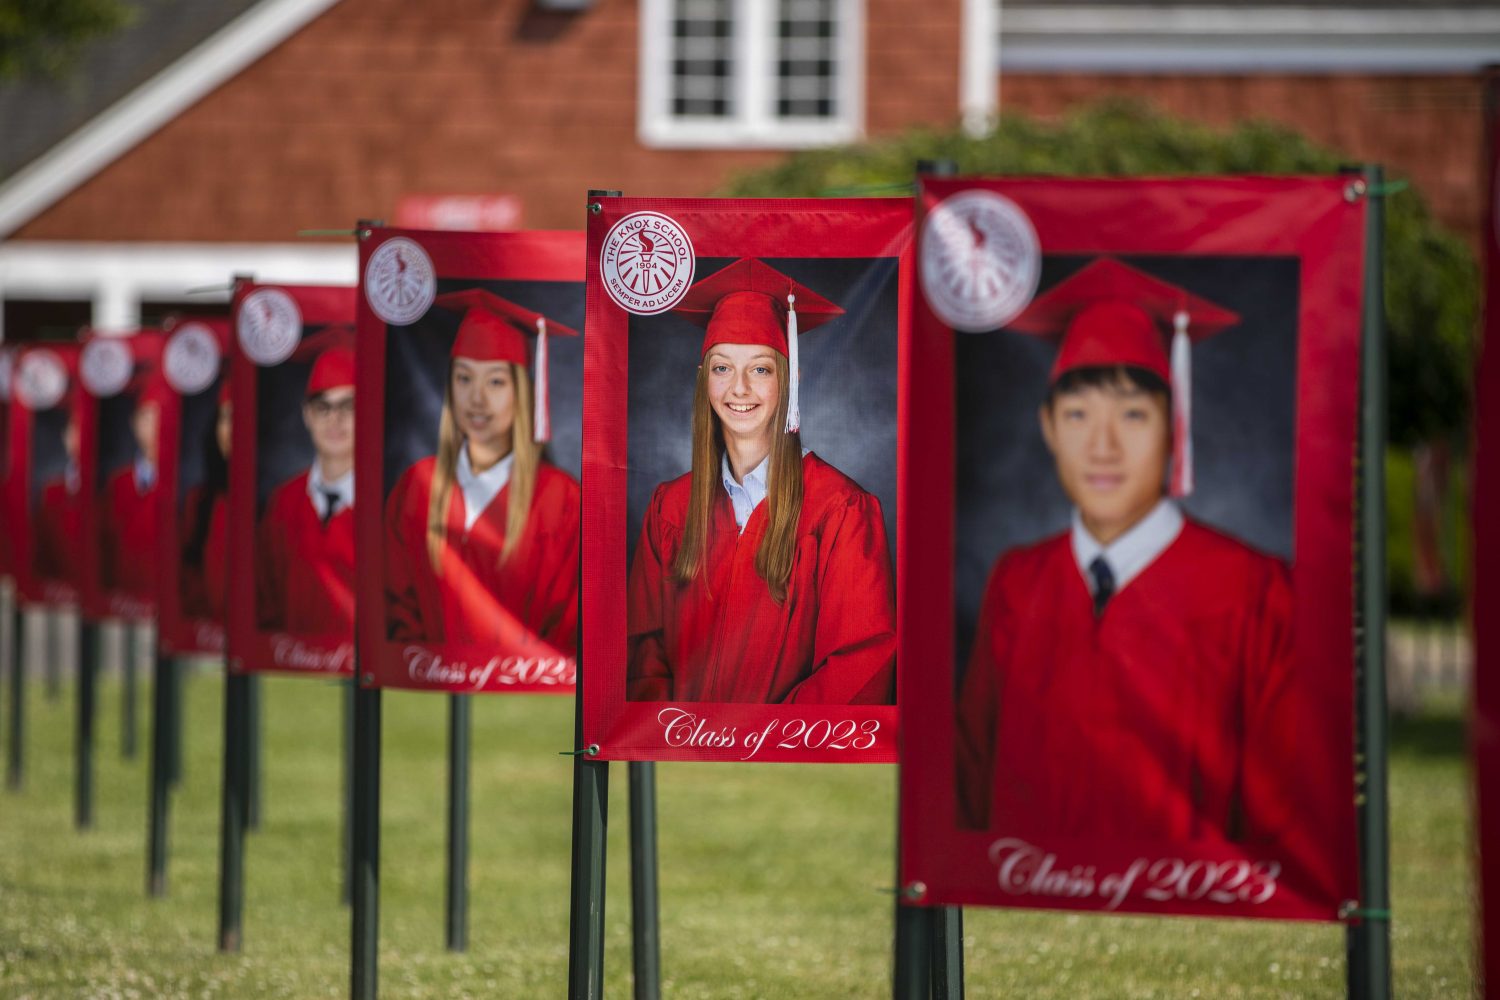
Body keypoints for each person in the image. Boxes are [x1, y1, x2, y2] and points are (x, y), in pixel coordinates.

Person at [955, 257, 1295, 845]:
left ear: (1175, 428)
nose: (1103, 446)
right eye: (1079, 414)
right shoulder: (1018, 581)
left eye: (1133, 415)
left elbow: (1283, 807)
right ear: (1048, 427)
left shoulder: (1254, 587)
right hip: (1028, 895)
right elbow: (971, 770)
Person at [626, 257, 896, 704]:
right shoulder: (670, 507)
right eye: (722, 368)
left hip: (786, 763)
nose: (739, 389)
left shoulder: (840, 508)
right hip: (683, 759)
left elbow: (858, 663)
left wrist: (765, 744)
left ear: (790, 382)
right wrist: (674, 743)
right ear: (703, 380)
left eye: (761, 369)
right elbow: (644, 652)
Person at [384, 289, 581, 654]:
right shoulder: (417, 486)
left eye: (495, 382)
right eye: (464, 379)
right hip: (430, 685)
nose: (476, 399)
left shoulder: (562, 499)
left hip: (524, 695)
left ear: (521, 393)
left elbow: (567, 619)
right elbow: (395, 604)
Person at [256, 333, 356, 633]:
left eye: (348, 407)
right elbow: (265, 600)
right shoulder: (283, 502)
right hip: (293, 666)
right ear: (307, 415)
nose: (334, 421)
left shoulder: (385, 505)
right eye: (323, 408)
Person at [102, 371, 170, 604]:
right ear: (135, 424)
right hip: (122, 601)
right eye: (147, 418)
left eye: (161, 417)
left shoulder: (178, 486)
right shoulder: (118, 484)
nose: (154, 427)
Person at [181, 381, 230, 620]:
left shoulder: (274, 504)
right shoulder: (199, 502)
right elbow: (189, 577)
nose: (232, 429)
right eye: (226, 418)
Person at [34, 397, 84, 588]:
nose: (79, 437)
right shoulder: (50, 490)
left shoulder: (110, 486)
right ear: (65, 437)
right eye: (74, 430)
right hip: (56, 584)